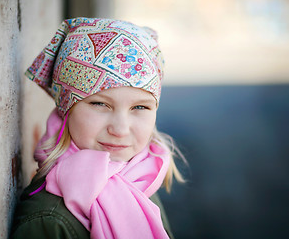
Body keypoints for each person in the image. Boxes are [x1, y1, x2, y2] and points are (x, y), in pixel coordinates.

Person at [10, 17, 186, 239]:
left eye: (140, 106)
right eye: (100, 104)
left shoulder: (138, 180)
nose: (120, 129)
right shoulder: (49, 222)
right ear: (67, 107)